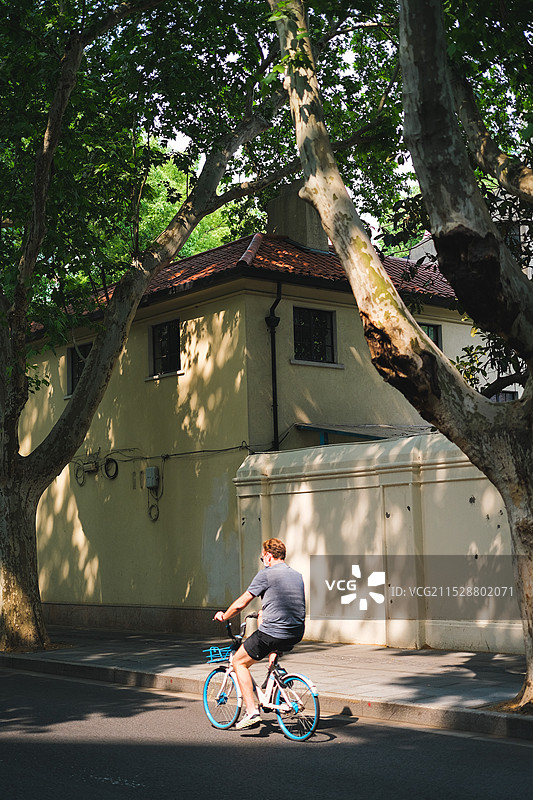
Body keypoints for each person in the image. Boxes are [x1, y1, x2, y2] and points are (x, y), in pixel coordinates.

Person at [213, 537, 305, 730]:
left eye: (262, 558)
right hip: (296, 632)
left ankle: (252, 712)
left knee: (239, 662)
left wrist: (225, 615)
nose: (263, 561)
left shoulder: (266, 574)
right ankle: (274, 674)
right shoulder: (297, 575)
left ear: (269, 556)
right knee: (268, 636)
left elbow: (242, 602)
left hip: (273, 632)